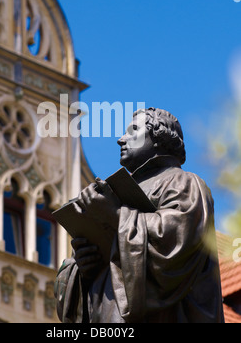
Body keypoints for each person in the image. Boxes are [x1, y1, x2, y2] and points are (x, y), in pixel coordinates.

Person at [54, 108, 224, 323]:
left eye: (133, 130)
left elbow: (174, 240)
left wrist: (115, 215)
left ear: (158, 138)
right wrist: (83, 269)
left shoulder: (184, 182)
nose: (120, 139)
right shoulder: (116, 193)